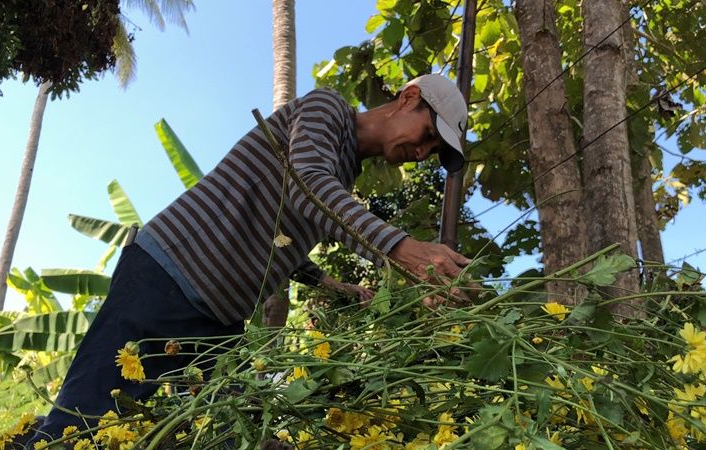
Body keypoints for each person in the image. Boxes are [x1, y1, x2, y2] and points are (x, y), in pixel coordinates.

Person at [28, 73, 471, 445]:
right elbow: (308, 186)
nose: (422, 152)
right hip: (168, 276)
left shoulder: (344, 172)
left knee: (228, 433)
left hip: (217, 324)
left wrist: (333, 285)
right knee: (77, 427)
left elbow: (282, 237)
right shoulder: (328, 110)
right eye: (428, 135)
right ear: (408, 98)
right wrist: (401, 249)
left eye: (432, 152)